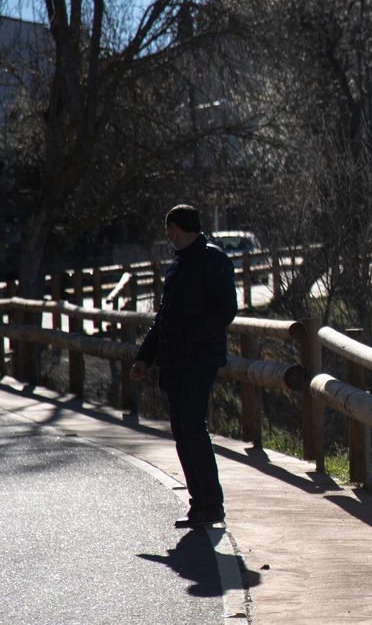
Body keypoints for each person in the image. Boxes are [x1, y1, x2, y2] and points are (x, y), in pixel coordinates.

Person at [131, 204, 237, 528]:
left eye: (169, 230)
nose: (168, 237)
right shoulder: (176, 267)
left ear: (177, 227)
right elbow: (163, 318)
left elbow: (225, 310)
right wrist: (144, 357)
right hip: (174, 361)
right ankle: (198, 504)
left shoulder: (213, 259)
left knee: (193, 427)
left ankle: (212, 503)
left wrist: (195, 338)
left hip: (200, 359)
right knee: (181, 430)